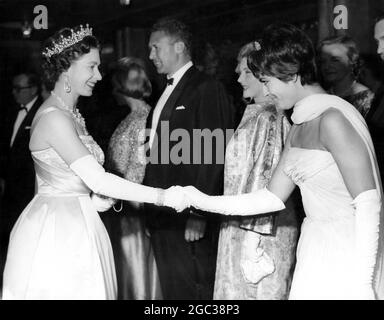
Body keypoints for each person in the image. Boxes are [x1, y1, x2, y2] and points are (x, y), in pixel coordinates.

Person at [183, 23, 384, 300]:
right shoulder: (299, 123)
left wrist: (363, 285)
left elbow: (369, 203)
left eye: (267, 81)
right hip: (314, 247)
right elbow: (269, 199)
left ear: (291, 74)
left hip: (349, 251)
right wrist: (197, 199)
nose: (266, 90)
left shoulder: (332, 118)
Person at [1, 24, 187, 300]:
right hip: (59, 232)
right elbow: (98, 179)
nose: (99, 76)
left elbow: (71, 177)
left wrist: (92, 199)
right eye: (92, 67)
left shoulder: (70, 113)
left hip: (80, 218)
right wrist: (163, 196)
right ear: (67, 69)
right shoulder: (54, 117)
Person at [143, 17, 234, 299]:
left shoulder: (206, 87)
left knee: (194, 291)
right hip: (164, 215)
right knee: (173, 291)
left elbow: (213, 154)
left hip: (188, 217)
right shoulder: (163, 92)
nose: (151, 55)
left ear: (179, 46)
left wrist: (200, 213)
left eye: (156, 47)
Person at [213, 41, 299, 300]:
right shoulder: (255, 114)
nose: (239, 78)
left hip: (261, 236)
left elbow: (266, 178)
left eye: (246, 72)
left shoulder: (270, 117)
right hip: (241, 227)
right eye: (238, 71)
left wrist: (252, 243)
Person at [106, 57, 162, 300]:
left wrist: (112, 191)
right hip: (122, 208)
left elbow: (139, 170)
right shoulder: (132, 117)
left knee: (136, 274)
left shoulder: (143, 119)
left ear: (121, 86)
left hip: (133, 210)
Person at [0, 72, 43, 291]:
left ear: (33, 89)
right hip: (11, 191)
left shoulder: (42, 113)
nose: (14, 92)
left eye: (20, 88)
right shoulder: (11, 112)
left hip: (30, 191)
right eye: (14, 88)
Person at [319, 35, 374, 118]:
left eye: (335, 60)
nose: (327, 66)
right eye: (323, 61)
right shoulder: (321, 97)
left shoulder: (367, 100)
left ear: (352, 60)